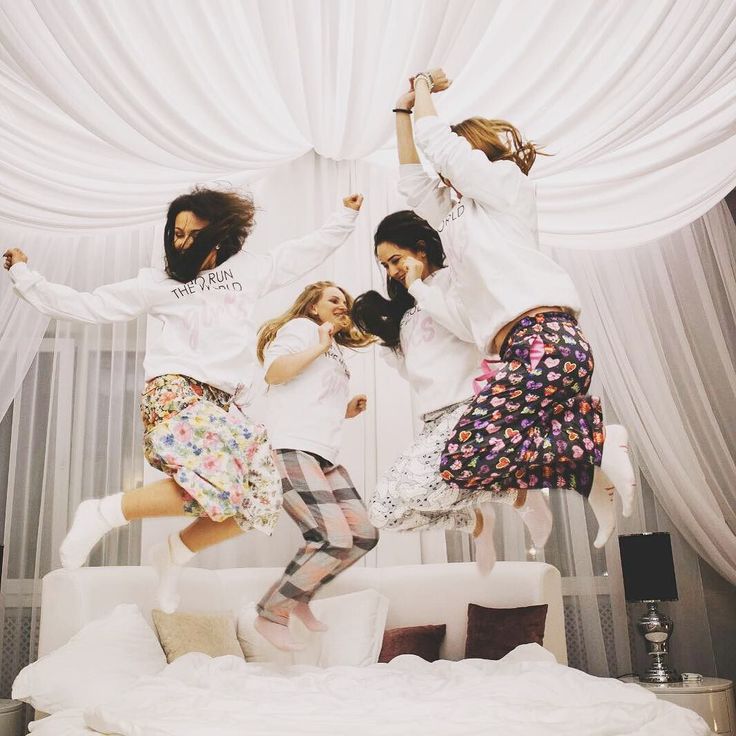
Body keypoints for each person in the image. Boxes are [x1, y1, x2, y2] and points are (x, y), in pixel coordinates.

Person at [3, 188, 365, 610]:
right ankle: (103, 513)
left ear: (218, 238)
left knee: (259, 498)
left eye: (193, 235)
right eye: (177, 233)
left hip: (225, 402)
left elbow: (301, 253)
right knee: (224, 486)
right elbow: (91, 305)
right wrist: (27, 277)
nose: (182, 243)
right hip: (175, 390)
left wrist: (344, 217)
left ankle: (175, 554)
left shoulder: (246, 270)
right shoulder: (157, 284)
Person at [393, 69, 635, 556]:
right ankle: (587, 466)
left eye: (456, 162)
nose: (446, 175)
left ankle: (597, 446)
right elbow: (413, 182)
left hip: (547, 337)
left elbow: (440, 145)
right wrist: (400, 113)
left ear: (474, 155)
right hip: (517, 349)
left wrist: (422, 91)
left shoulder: (506, 187)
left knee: (467, 454)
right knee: (462, 461)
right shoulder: (459, 219)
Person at [352, 210, 553, 572]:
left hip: (471, 406)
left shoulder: (452, 282)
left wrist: (419, 288)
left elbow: (470, 330)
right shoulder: (408, 308)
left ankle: (519, 495)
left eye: (395, 260)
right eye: (385, 265)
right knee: (383, 511)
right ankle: (475, 522)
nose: (392, 271)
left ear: (421, 248)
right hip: (433, 419)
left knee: (417, 489)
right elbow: (413, 371)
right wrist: (386, 337)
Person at [253, 281, 378, 650]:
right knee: (332, 537)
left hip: (324, 454)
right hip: (291, 448)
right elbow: (275, 374)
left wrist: (344, 409)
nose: (342, 305)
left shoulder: (333, 348)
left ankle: (300, 596)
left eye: (345, 301)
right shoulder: (302, 330)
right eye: (333, 300)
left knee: (363, 535)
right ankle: (272, 613)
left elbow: (308, 397)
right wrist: (320, 343)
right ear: (313, 307)